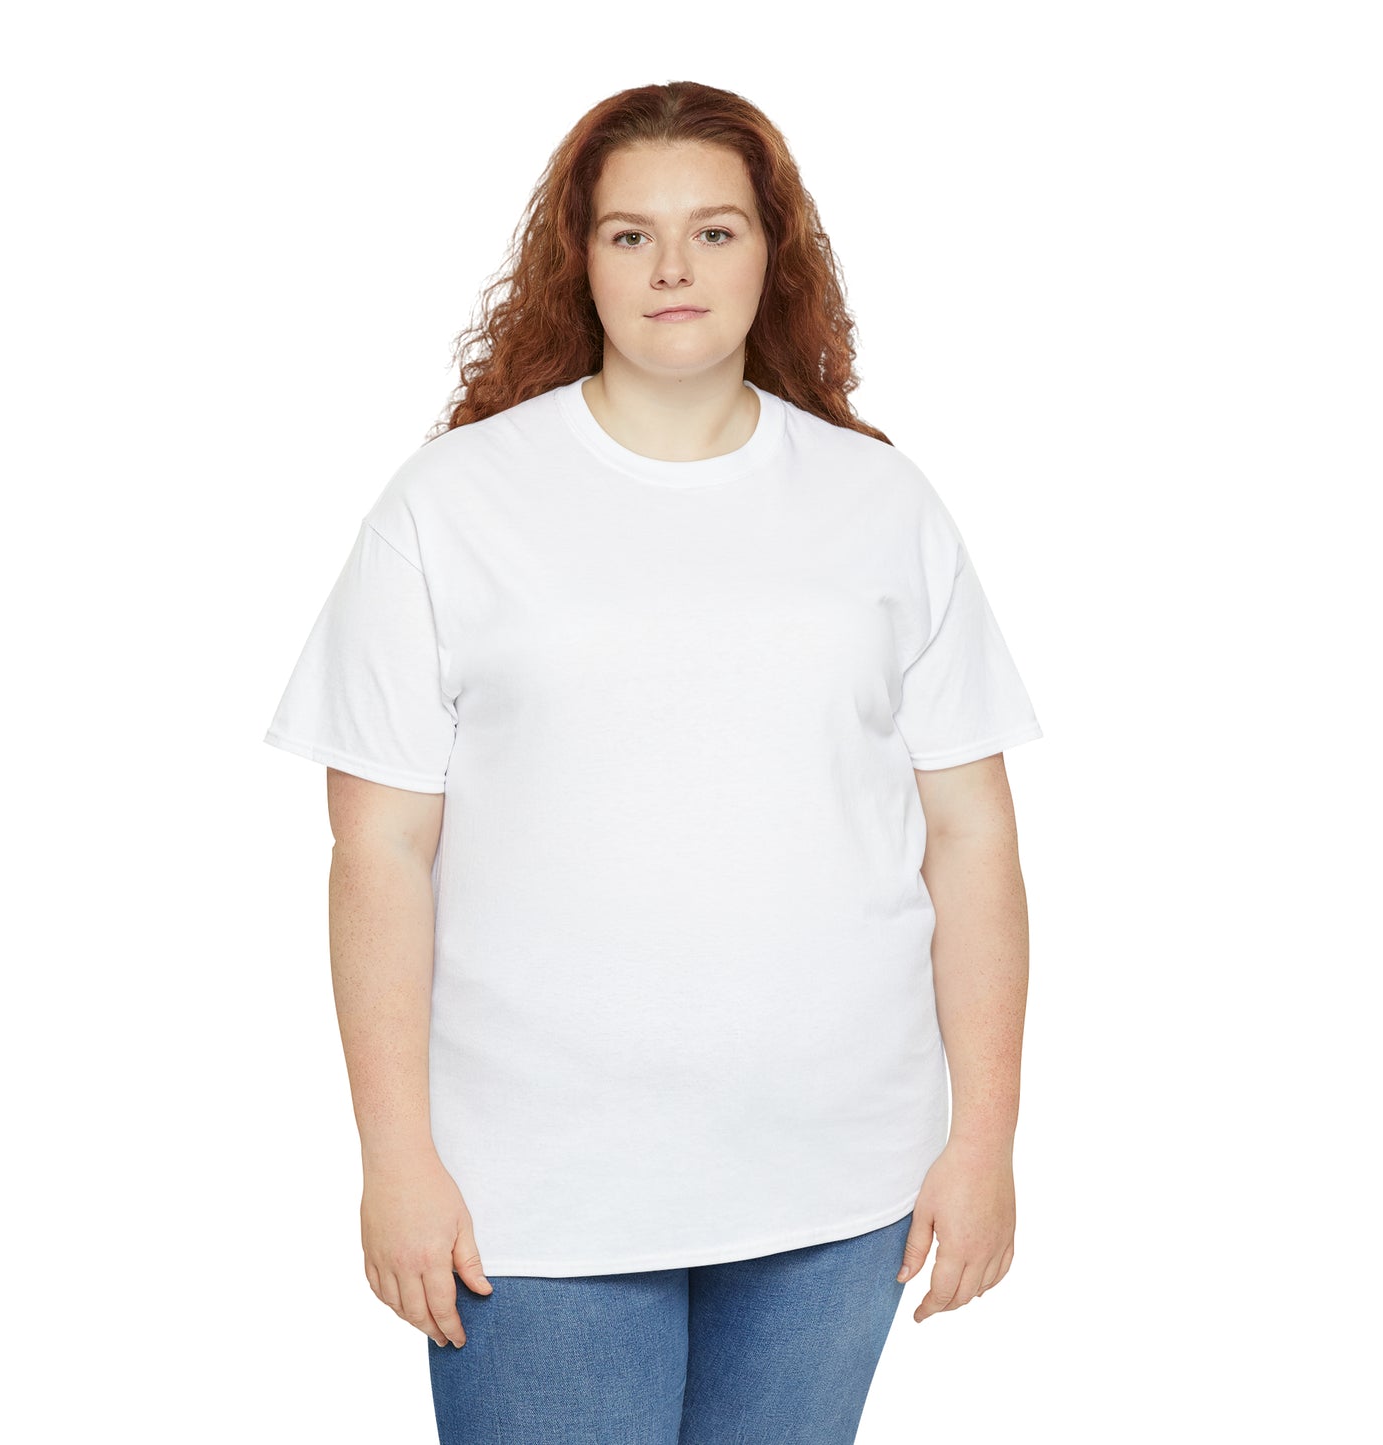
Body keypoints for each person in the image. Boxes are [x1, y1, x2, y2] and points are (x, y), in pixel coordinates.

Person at [263, 79, 1042, 1445]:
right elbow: (378, 848)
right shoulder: (451, 506)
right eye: (632, 234)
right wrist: (394, 1158)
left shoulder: (880, 504)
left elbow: (972, 834)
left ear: (772, 254)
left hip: (837, 1178)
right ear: (581, 260)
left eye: (714, 231)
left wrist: (982, 1143)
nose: (673, 267)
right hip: (534, 1192)